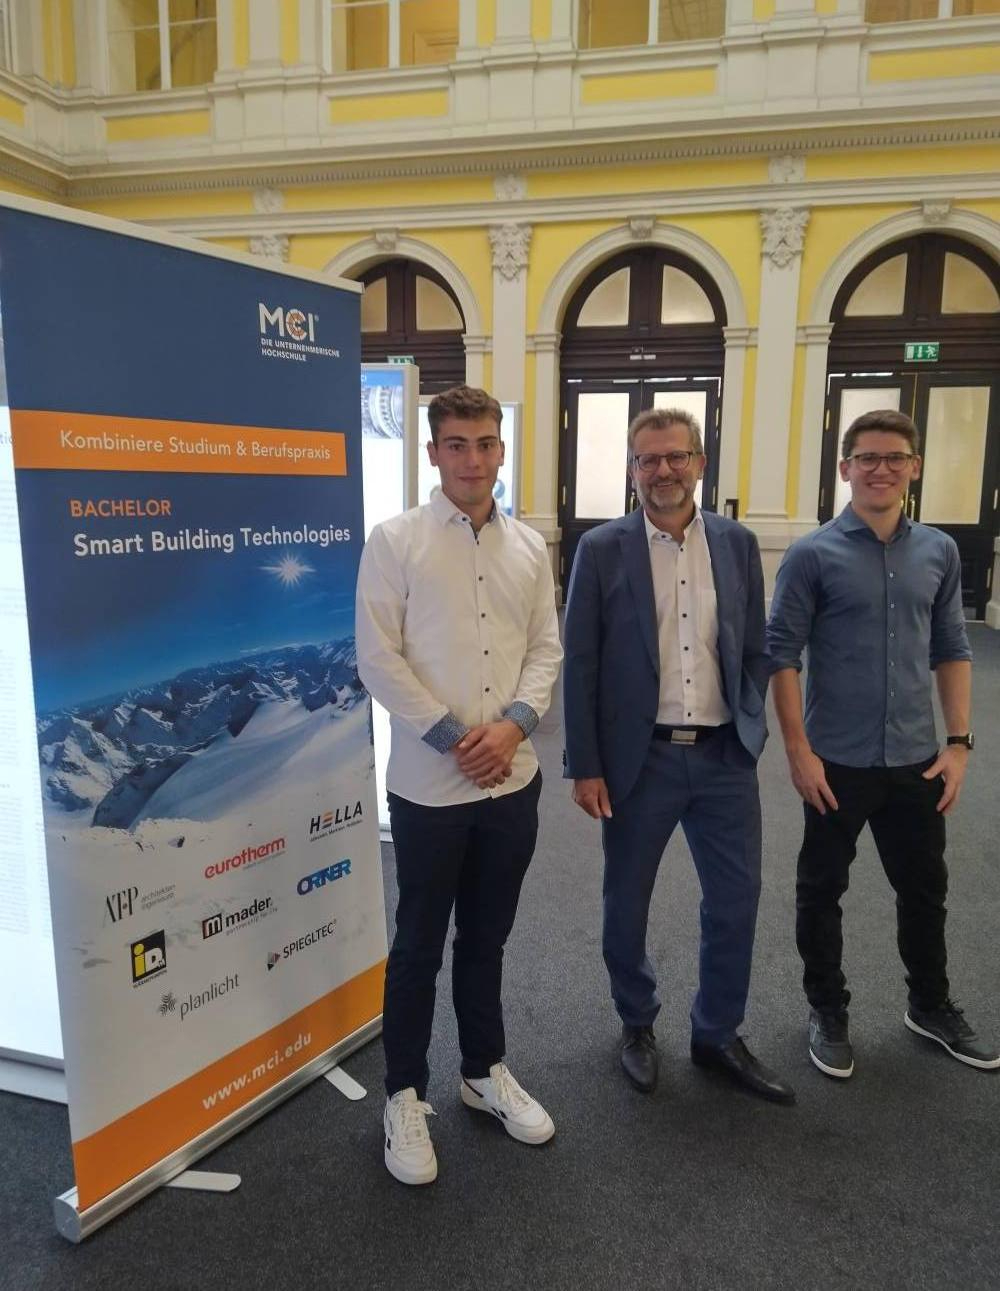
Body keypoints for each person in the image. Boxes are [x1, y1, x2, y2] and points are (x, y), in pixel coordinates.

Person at [355, 384, 563, 1185]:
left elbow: (545, 646)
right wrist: (453, 737)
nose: (472, 458)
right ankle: (405, 1093)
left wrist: (512, 724)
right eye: (456, 444)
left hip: (513, 781)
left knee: (487, 937)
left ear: (501, 450)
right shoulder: (396, 541)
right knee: (416, 945)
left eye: (485, 443)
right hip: (429, 788)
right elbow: (379, 657)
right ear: (433, 451)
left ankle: (483, 1071)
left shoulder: (529, 546)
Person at [562, 407, 794, 1104]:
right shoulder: (601, 549)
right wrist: (585, 763)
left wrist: (750, 720)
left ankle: (716, 1031)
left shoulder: (737, 541)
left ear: (699, 461)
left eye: (676, 456)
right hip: (642, 759)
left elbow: (755, 643)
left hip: (725, 756)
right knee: (626, 903)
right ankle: (637, 1021)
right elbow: (581, 663)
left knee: (736, 900)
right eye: (647, 459)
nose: (662, 470)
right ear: (631, 470)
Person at [767, 408, 998, 1080]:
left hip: (916, 756)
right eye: (867, 457)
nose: (881, 468)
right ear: (845, 469)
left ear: (913, 467)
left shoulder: (939, 552)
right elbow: (781, 655)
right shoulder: (812, 553)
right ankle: (827, 1010)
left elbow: (952, 648)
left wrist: (958, 743)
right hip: (834, 759)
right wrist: (797, 749)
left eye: (895, 457)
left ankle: (929, 1004)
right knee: (821, 889)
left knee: (925, 890)